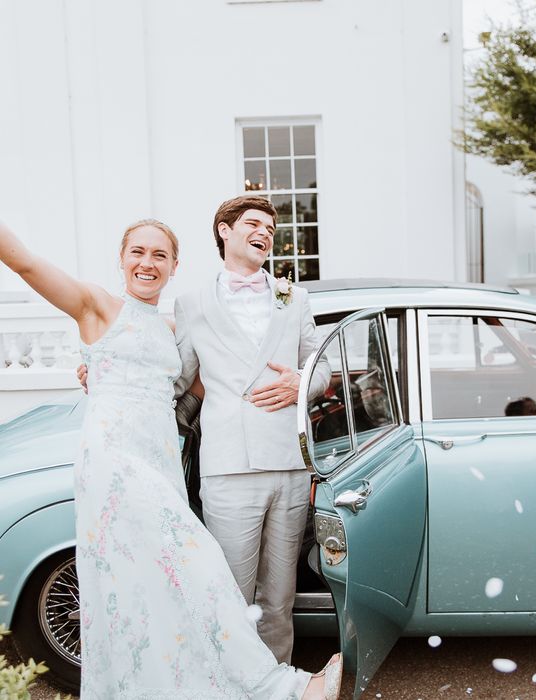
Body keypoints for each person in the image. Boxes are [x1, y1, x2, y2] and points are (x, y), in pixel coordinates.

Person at [0, 218, 341, 699]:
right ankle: (277, 689)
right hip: (116, 462)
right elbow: (26, 262)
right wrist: (95, 368)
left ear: (175, 266)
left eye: (160, 255)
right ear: (121, 258)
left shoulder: (175, 325)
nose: (147, 262)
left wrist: (297, 384)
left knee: (146, 587)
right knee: (199, 567)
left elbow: (214, 383)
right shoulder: (96, 306)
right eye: (137, 252)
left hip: (160, 460)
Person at [172, 196, 331, 665]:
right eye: (253, 224)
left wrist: (301, 382)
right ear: (225, 231)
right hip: (228, 467)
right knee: (231, 594)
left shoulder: (294, 296)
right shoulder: (192, 303)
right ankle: (230, 683)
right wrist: (108, 375)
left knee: (280, 598)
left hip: (287, 463)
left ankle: (276, 681)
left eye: (270, 227)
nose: (265, 233)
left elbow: (321, 367)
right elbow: (177, 377)